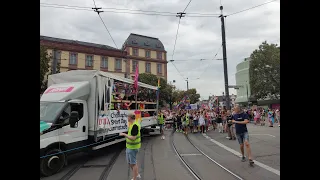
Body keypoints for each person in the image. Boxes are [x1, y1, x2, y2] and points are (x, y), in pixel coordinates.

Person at [119, 114, 141, 180]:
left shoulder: (135, 125)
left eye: (127, 117)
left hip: (133, 147)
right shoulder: (131, 124)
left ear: (130, 118)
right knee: (130, 162)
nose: (127, 118)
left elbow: (133, 138)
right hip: (129, 146)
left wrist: (124, 134)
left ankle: (135, 178)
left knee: (133, 163)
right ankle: (137, 174)